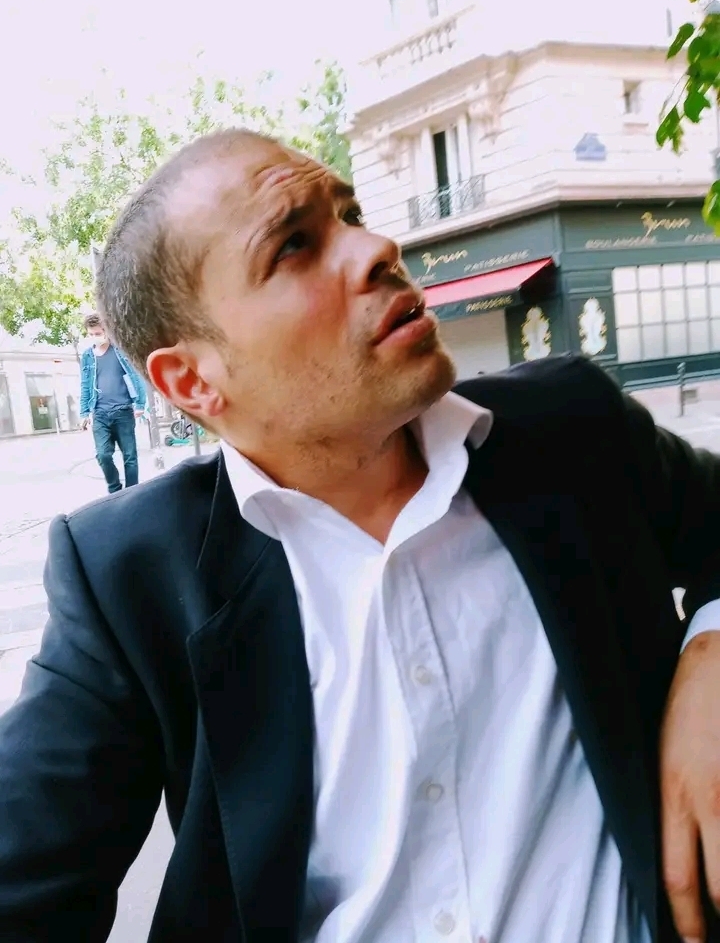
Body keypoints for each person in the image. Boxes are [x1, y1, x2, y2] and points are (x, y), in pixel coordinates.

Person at [0, 130, 718, 943]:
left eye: (351, 214)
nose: (377, 248)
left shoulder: (570, 431)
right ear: (192, 380)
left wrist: (712, 650)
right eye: (293, 246)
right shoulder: (129, 579)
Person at [79, 312, 148, 493]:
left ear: (107, 331)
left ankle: (132, 492)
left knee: (130, 456)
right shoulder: (87, 356)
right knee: (103, 455)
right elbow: (85, 384)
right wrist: (84, 413)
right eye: (91, 334)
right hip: (100, 413)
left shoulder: (120, 350)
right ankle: (115, 491)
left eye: (98, 333)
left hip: (123, 411)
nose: (95, 337)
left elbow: (135, 376)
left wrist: (140, 404)